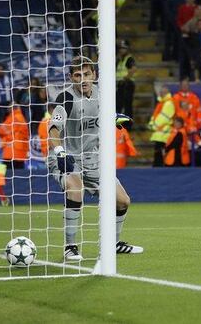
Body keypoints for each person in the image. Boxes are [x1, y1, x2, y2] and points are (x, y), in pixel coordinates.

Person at [47, 56, 142, 260]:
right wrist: (60, 152)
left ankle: (114, 243)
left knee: (123, 201)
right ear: (71, 78)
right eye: (77, 75)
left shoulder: (103, 94)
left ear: (95, 75)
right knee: (75, 188)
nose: (83, 79)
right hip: (67, 157)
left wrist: (115, 118)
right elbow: (53, 131)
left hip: (93, 159)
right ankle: (70, 247)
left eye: (87, 74)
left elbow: (102, 115)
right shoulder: (66, 99)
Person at [148, 86, 175, 167]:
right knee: (158, 152)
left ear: (166, 93)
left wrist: (153, 125)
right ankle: (157, 166)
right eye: (160, 92)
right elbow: (156, 115)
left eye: (162, 92)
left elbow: (164, 117)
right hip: (160, 133)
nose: (160, 93)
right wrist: (152, 123)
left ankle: (159, 167)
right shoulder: (162, 102)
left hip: (164, 133)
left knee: (160, 153)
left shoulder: (168, 103)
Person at [116, 40, 136, 123]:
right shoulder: (121, 60)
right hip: (121, 84)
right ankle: (120, 124)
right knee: (119, 105)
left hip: (127, 84)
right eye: (121, 48)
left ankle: (128, 126)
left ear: (127, 49)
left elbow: (133, 69)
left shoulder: (129, 58)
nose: (121, 50)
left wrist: (125, 78)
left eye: (124, 48)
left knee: (127, 106)